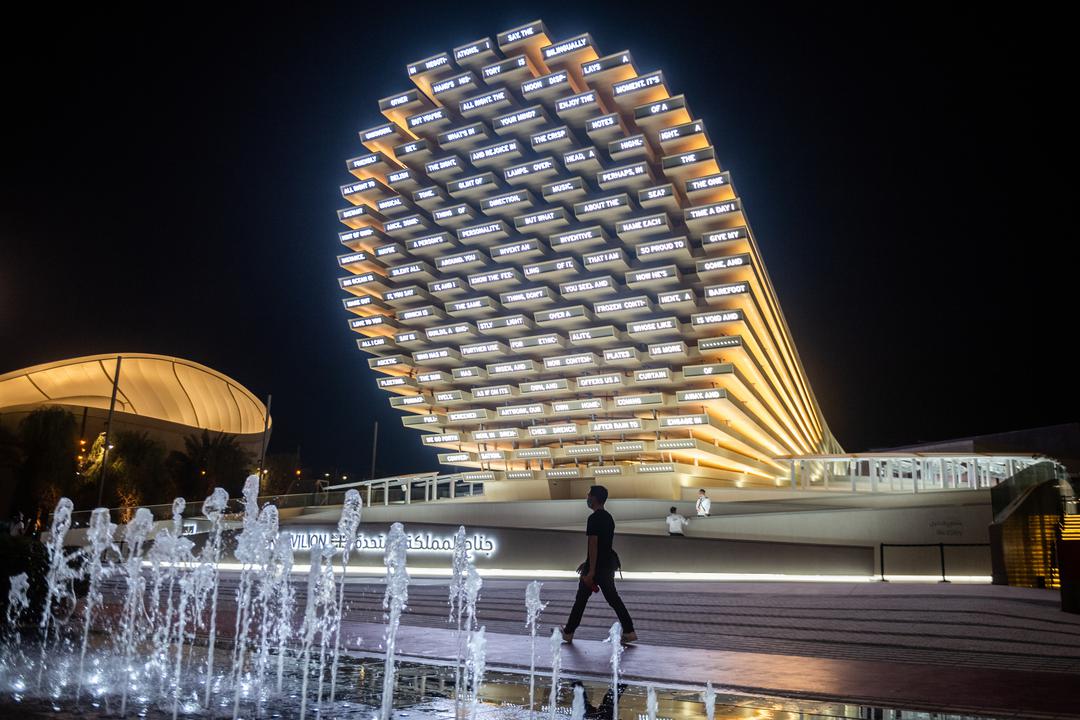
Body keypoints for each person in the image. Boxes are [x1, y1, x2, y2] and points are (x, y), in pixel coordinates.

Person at [561, 485, 637, 644]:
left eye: (588, 495)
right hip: (607, 564)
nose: (587, 498)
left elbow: (594, 544)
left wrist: (591, 571)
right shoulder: (608, 518)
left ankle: (568, 632)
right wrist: (586, 562)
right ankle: (629, 631)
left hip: (597, 567)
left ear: (594, 498)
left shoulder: (594, 518)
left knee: (581, 599)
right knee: (613, 599)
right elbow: (604, 545)